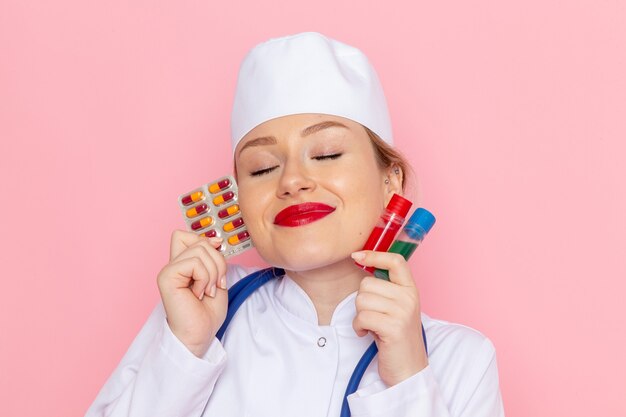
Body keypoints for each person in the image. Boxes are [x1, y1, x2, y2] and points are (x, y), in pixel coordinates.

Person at [86, 32, 505, 417]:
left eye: (325, 155)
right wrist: (185, 348)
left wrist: (407, 383)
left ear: (389, 181)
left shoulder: (460, 359)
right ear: (238, 202)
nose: (291, 182)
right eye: (262, 167)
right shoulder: (196, 309)